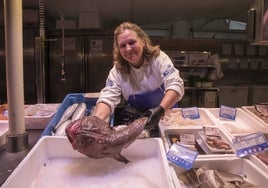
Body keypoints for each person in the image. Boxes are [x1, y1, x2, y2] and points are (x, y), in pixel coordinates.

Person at [92, 21, 184, 136]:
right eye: (123, 45)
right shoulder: (117, 71)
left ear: (143, 42)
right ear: (119, 50)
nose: (128, 49)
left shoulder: (159, 59)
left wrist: (160, 110)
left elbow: (175, 84)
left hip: (167, 116)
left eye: (132, 42)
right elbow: (108, 97)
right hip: (139, 120)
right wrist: (95, 122)